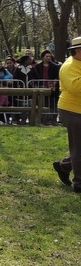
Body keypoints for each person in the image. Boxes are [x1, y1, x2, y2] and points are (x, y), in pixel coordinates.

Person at [53, 36, 81, 192]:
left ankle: (63, 167)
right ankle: (79, 183)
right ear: (77, 51)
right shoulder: (69, 66)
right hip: (72, 111)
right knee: (78, 148)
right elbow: (76, 86)